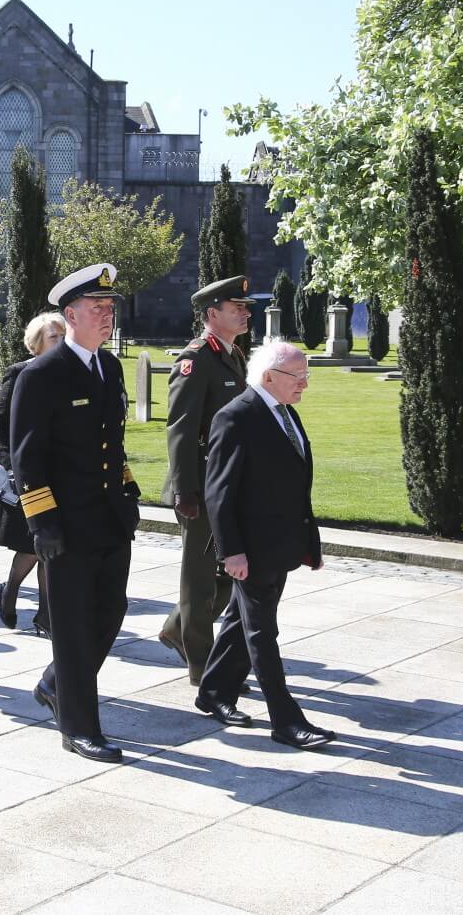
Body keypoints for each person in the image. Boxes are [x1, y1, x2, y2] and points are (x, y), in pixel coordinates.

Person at [11, 263, 139, 763]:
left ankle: (53, 683)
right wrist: (41, 522)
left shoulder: (109, 367)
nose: (107, 315)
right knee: (71, 627)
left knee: (111, 613)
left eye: (110, 308)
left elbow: (113, 443)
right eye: (97, 308)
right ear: (70, 315)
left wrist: (128, 494)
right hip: (65, 522)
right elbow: (28, 457)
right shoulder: (41, 374)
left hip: (109, 517)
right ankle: (79, 728)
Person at [196, 340, 336, 750]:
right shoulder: (235, 416)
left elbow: (295, 483)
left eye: (307, 375)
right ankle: (286, 720)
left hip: (280, 545)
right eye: (299, 376)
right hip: (252, 549)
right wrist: (231, 551)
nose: (304, 384)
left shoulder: (285, 412)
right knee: (262, 632)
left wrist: (308, 542)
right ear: (269, 376)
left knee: (241, 621)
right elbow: (218, 492)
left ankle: (214, 691)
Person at [158, 275, 255, 685]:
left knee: (228, 573)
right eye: (237, 308)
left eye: (246, 308)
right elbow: (180, 429)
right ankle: (201, 666)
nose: (245, 314)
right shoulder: (196, 359)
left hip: (226, 483)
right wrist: (185, 491)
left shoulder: (231, 355)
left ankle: (176, 629)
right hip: (199, 484)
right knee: (199, 580)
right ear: (213, 314)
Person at [0, 311, 64, 633]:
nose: (60, 342)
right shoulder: (20, 373)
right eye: (53, 337)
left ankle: (46, 615)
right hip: (28, 475)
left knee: (53, 548)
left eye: (63, 336)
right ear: (37, 343)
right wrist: (11, 466)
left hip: (60, 474)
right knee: (30, 546)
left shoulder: (71, 373)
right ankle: (11, 589)